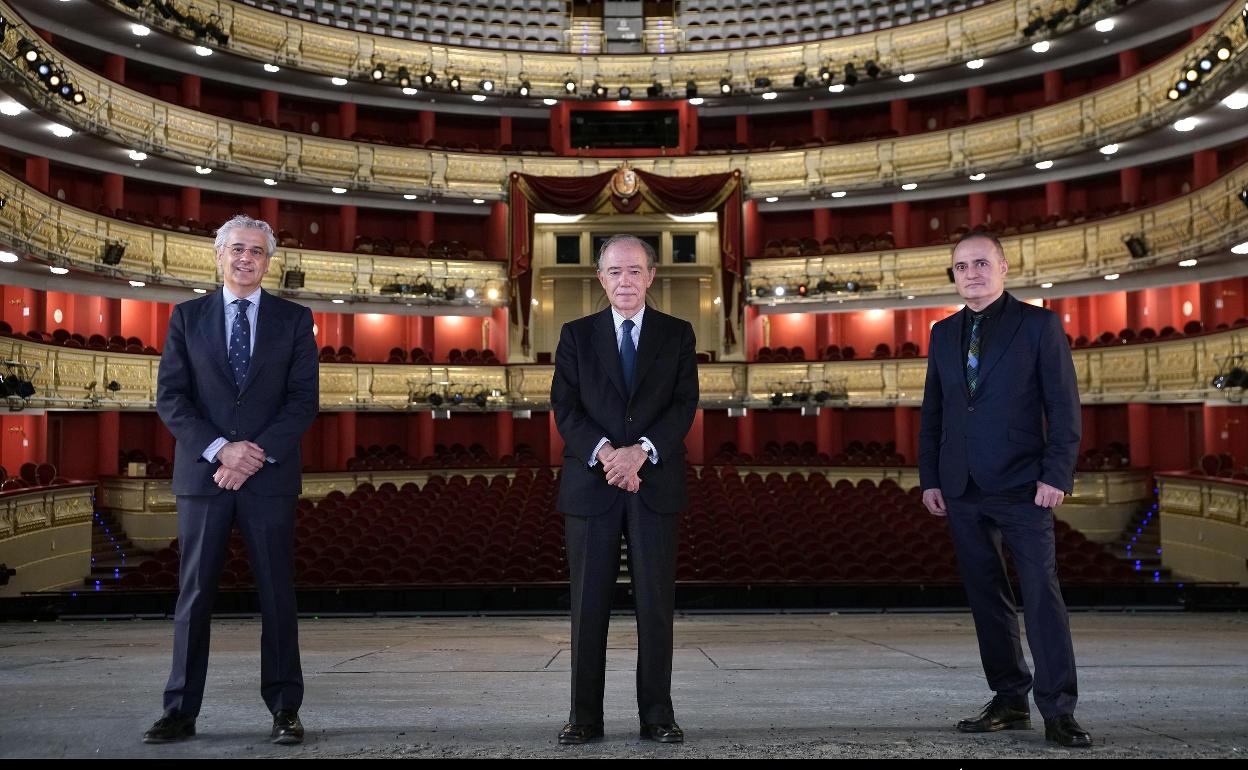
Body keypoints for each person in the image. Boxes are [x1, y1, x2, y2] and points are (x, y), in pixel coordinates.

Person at [143, 214, 319, 745]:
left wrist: (251, 454)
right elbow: (171, 398)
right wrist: (223, 449)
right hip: (204, 477)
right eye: (237, 249)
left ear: (269, 261)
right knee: (194, 596)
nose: (246, 259)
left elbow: (301, 402)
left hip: (267, 477)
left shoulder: (294, 319)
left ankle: (285, 709)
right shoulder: (186, 317)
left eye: (257, 252)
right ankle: (180, 711)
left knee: (277, 595)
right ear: (218, 255)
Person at [917, 231, 1090, 748]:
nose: (971, 273)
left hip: (1022, 484)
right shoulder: (943, 333)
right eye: (961, 266)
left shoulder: (1039, 325)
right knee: (987, 599)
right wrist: (930, 476)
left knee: (1041, 595)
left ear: (1004, 268)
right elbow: (935, 411)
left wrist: (1057, 474)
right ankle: (1010, 699)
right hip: (962, 484)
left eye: (980, 263)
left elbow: (1063, 407)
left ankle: (1058, 708)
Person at [550, 234, 699, 745]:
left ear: (651, 276)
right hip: (592, 484)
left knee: (655, 607)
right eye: (615, 272)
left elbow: (683, 407)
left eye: (635, 271)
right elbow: (565, 408)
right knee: (587, 607)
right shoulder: (575, 334)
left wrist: (640, 451)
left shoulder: (678, 334)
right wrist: (609, 454)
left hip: (654, 482)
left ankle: (657, 715)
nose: (625, 281)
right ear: (601, 278)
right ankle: (584, 718)